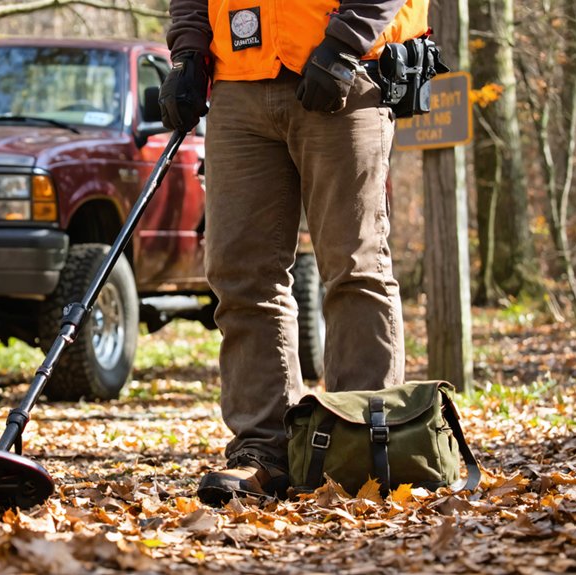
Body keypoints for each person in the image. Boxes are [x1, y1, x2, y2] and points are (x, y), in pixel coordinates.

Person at [159, 0, 428, 505]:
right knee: (241, 276)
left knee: (354, 268)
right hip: (238, 82)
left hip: (344, 72)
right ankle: (263, 452)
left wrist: (344, 44)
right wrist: (188, 53)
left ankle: (360, 450)